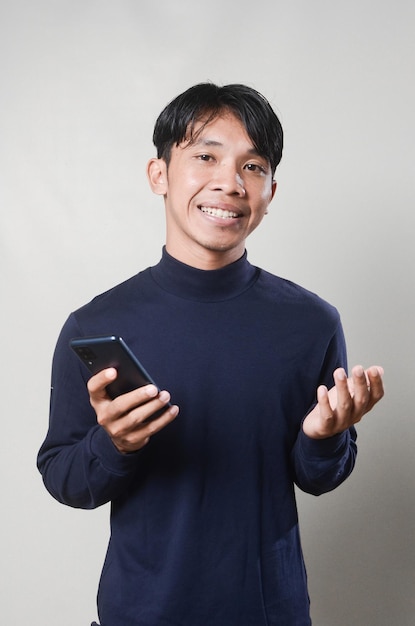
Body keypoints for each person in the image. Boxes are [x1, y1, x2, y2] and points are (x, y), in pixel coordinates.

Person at [37, 82, 384, 626]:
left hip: (271, 612)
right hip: (140, 613)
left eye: (253, 167)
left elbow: (320, 477)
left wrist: (324, 436)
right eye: (205, 157)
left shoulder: (311, 322)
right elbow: (63, 478)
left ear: (272, 190)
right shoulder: (96, 325)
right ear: (160, 174)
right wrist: (114, 444)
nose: (230, 182)